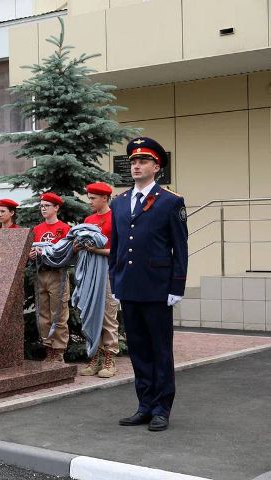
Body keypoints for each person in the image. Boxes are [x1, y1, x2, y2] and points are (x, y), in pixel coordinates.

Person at [111, 137, 188, 432]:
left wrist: (176, 287)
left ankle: (161, 408)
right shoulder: (120, 204)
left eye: (142, 161)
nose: (136, 166)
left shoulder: (171, 202)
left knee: (160, 350)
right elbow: (117, 248)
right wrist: (115, 282)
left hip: (157, 288)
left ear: (156, 167)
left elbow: (179, 249)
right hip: (129, 287)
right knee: (139, 350)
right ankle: (144, 405)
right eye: (132, 161)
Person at [77, 182, 120, 378]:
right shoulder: (89, 219)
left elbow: (119, 249)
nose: (90, 202)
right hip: (91, 272)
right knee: (92, 314)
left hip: (109, 272)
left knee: (108, 316)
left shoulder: (116, 218)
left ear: (105, 198)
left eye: (93, 198)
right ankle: (95, 357)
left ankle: (110, 359)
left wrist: (97, 250)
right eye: (90, 198)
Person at [29, 192, 71, 363]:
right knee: (43, 315)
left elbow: (67, 253)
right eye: (42, 206)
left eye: (47, 206)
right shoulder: (37, 229)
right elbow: (30, 252)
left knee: (59, 314)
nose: (43, 209)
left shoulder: (64, 228)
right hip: (41, 273)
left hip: (57, 274)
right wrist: (32, 254)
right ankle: (48, 349)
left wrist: (49, 251)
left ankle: (59, 351)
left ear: (56, 208)